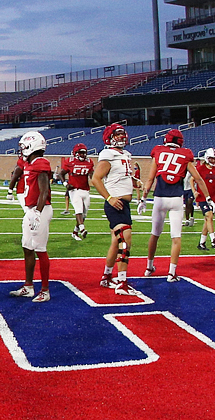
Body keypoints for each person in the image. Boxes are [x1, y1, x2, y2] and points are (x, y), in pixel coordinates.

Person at [140, 127, 198, 281]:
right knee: (176, 237)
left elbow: (150, 179)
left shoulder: (159, 152)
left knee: (155, 234)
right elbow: (198, 178)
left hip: (159, 197)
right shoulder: (185, 155)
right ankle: (171, 273)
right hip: (176, 199)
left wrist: (143, 199)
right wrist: (208, 199)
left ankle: (149, 267)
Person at [92, 122, 139, 295]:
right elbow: (96, 179)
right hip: (115, 204)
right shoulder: (108, 154)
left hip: (124, 203)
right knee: (125, 240)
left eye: (122, 134)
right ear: (109, 137)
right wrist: (109, 198)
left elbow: (122, 176)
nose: (121, 137)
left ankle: (106, 277)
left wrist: (134, 182)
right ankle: (122, 282)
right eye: (117, 134)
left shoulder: (125, 154)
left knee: (115, 242)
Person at [7, 131, 52, 302]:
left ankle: (45, 290)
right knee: (27, 246)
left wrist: (37, 213)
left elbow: (44, 191)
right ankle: (28, 286)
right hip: (31, 210)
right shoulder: (32, 162)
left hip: (40, 210)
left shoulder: (40, 163)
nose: (22, 149)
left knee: (40, 249)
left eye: (24, 146)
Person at [61, 142, 95, 242]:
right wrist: (65, 184)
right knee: (78, 210)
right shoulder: (70, 162)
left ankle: (75, 232)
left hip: (85, 189)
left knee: (84, 214)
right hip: (74, 190)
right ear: (75, 153)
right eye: (80, 153)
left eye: (84, 153)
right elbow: (61, 174)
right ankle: (82, 229)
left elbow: (92, 175)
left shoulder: (89, 162)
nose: (83, 155)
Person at [196, 149, 215, 251]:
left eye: (214, 159)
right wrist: (194, 191)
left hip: (212, 198)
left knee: (207, 220)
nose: (213, 161)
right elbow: (192, 179)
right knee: (209, 216)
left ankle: (202, 243)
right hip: (203, 197)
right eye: (211, 158)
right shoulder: (200, 169)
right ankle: (213, 240)